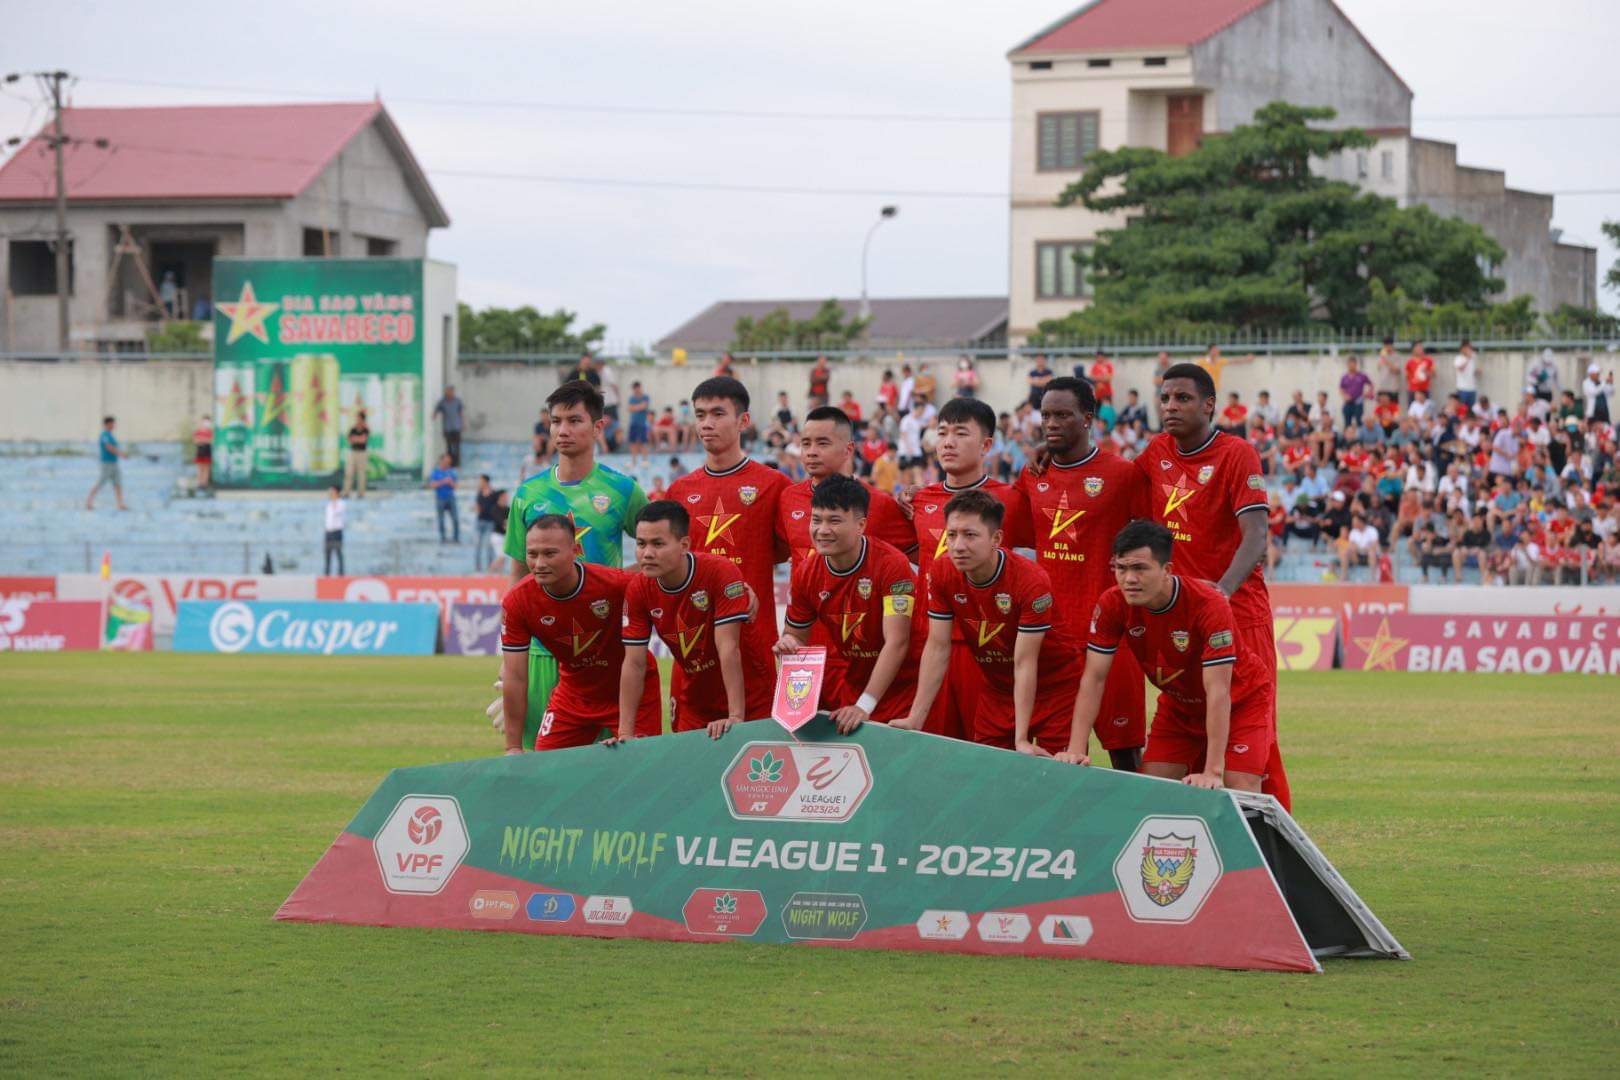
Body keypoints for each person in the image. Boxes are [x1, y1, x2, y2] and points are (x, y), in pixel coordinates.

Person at [1137, 363, 1289, 810]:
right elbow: (1112, 484)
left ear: (1209, 405)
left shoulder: (1237, 453)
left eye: (1182, 398)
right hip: (1184, 618)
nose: (1170, 407)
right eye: (1165, 398)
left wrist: (1219, 593)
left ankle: (1274, 846)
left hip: (1239, 611)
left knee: (1255, 737)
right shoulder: (1156, 451)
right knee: (1188, 720)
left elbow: (1257, 536)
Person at [1061, 521, 1269, 794]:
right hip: (1180, 708)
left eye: (1140, 569)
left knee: (1240, 789)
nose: (1129, 579)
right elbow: (1094, 678)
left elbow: (1219, 690)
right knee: (1152, 791)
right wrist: (1076, 750)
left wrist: (1213, 772)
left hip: (1241, 702)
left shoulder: (1209, 604)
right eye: (1121, 569)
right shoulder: (1112, 603)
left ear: (1166, 570)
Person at [500, 380, 649, 751]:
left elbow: (657, 552)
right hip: (541, 648)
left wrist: (618, 581)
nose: (563, 430)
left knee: (613, 765)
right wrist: (507, 665)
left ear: (598, 427)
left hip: (604, 649)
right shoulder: (528, 493)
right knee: (540, 763)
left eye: (574, 420)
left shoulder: (622, 490)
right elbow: (518, 575)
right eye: (555, 421)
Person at [1012, 377, 1149, 771]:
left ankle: (1132, 827)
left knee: (1125, 751)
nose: (1051, 423)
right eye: (1046, 415)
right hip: (1052, 637)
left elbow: (1153, 539)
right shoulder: (1033, 475)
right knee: (1055, 755)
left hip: (1111, 631)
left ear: (1088, 417)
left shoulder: (1123, 474)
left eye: (1063, 415)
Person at [894, 491, 1082, 753]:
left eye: (970, 535)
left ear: (997, 538)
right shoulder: (941, 572)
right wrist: (915, 717)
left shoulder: (1031, 580)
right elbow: (937, 647)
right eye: (951, 535)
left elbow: (1025, 661)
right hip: (998, 689)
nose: (958, 545)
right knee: (989, 773)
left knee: (1056, 778)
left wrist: (1021, 738)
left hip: (1056, 687)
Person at [904, 397, 1032, 740]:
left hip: (989, 651)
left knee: (990, 760)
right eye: (942, 432)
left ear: (987, 444)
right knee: (933, 758)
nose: (947, 442)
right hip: (931, 646)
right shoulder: (920, 500)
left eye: (961, 433)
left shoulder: (1011, 499)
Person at [777, 407, 918, 706]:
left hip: (866, 658)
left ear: (849, 449)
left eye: (822, 443)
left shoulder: (878, 504)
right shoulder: (788, 498)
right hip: (808, 652)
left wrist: (921, 499)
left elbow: (927, 553)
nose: (811, 452)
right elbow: (773, 551)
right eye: (805, 443)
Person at [498, 515, 661, 753]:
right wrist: (513, 746)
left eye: (550, 554)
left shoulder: (616, 585)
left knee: (640, 766)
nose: (540, 563)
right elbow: (515, 676)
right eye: (532, 554)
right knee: (546, 769)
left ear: (575, 550)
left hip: (633, 691)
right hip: (573, 694)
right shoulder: (517, 601)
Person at [617, 501, 773, 739]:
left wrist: (736, 717)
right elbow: (634, 664)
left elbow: (728, 647)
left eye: (658, 544)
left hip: (751, 698)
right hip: (695, 702)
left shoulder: (720, 571)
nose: (647, 553)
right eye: (641, 544)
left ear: (684, 545)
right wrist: (624, 733)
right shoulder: (638, 588)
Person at [667, 377, 792, 673]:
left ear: (743, 421)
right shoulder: (679, 490)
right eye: (700, 415)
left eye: (718, 413)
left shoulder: (774, 485)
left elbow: (788, 552)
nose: (706, 423)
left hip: (752, 639)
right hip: (694, 639)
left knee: (754, 720)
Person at [776, 477, 921, 732]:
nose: (822, 530)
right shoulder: (806, 572)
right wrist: (789, 644)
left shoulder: (891, 565)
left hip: (905, 688)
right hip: (855, 687)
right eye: (816, 519)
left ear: (860, 525)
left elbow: (897, 642)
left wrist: (864, 705)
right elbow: (795, 635)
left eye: (834, 521)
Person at [86, 416, 130, 511]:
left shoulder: (110, 435)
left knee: (118, 484)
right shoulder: (105, 435)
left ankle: (120, 504)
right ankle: (89, 502)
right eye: (111, 423)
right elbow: (108, 447)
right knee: (101, 483)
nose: (113, 425)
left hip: (114, 463)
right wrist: (121, 454)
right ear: (106, 424)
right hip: (107, 464)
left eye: (113, 423)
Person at [474, 475, 505, 570]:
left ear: (486, 482)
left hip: (489, 522)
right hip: (480, 521)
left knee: (488, 546)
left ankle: (489, 566)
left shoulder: (493, 493)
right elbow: (477, 505)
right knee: (478, 545)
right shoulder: (479, 493)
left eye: (481, 481)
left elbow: (497, 506)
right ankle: (478, 567)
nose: (480, 483)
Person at [428, 453, 459, 542]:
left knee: (455, 518)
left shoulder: (452, 472)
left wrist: (451, 483)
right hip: (440, 498)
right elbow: (432, 485)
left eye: (449, 461)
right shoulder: (436, 472)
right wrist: (443, 481)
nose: (447, 463)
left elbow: (456, 486)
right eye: (446, 461)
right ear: (441, 461)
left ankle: (456, 537)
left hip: (451, 497)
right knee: (441, 519)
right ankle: (443, 537)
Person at [432, 385, 464, 466]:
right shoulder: (443, 401)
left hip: (456, 427)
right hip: (447, 428)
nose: (448, 393)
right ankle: (450, 463)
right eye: (447, 391)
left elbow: (461, 413)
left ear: (453, 392)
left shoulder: (457, 401)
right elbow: (436, 409)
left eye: (450, 391)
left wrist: (462, 424)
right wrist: (434, 415)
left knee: (457, 446)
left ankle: (457, 463)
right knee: (449, 447)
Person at [1340, 355, 1372, 428]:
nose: (1351, 366)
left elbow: (1370, 385)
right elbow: (1341, 388)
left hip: (1358, 402)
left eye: (1353, 364)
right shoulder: (1344, 377)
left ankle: (1359, 437)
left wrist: (1367, 393)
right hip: (1348, 403)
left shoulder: (1362, 375)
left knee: (1359, 421)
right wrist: (1344, 396)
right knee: (1347, 422)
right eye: (1349, 364)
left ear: (1356, 364)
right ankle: (1347, 437)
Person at [344, 409, 369, 498]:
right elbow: (349, 439)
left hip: (362, 453)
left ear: (362, 419)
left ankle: (361, 493)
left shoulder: (366, 429)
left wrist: (356, 439)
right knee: (349, 473)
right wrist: (357, 439)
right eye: (356, 418)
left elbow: (363, 440)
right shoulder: (353, 428)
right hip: (353, 452)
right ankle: (346, 492)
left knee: (361, 474)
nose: (357, 420)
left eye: (359, 418)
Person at [626, 381, 652, 469]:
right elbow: (629, 408)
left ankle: (645, 460)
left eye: (638, 388)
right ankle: (633, 461)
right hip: (633, 423)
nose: (637, 390)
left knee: (643, 442)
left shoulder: (645, 397)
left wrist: (634, 407)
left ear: (640, 388)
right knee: (632, 442)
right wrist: (639, 406)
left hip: (642, 423)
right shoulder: (631, 398)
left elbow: (644, 406)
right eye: (635, 388)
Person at [323, 485, 345, 576]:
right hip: (328, 531)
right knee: (327, 553)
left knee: (338, 552)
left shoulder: (341, 503)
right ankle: (327, 573)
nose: (330, 493)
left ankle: (341, 573)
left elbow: (337, 512)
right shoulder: (328, 504)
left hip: (336, 531)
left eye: (332, 491)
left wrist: (335, 500)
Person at [1404, 342, 1433, 407]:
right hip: (1413, 390)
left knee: (1426, 410)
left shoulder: (1428, 360)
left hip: (1424, 390)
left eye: (1421, 347)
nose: (1420, 349)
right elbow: (1406, 376)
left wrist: (1426, 372)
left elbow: (1433, 374)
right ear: (1413, 349)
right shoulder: (1409, 362)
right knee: (1412, 410)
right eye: (1417, 347)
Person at [1454, 340, 1478, 410]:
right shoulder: (1458, 358)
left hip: (1472, 388)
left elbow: (1471, 370)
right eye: (1468, 347)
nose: (1470, 349)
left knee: (1471, 410)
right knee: (1462, 409)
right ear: (1462, 348)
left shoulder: (1473, 357)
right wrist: (1468, 358)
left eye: (1471, 347)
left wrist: (1477, 371)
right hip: (1462, 389)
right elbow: (1460, 369)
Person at [192, 414, 213, 490]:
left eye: (208, 421)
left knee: (206, 468)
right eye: (205, 421)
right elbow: (195, 440)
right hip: (200, 450)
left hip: (207, 449)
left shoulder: (211, 432)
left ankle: (205, 483)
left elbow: (211, 440)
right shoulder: (198, 431)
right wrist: (204, 440)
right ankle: (199, 483)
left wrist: (203, 440)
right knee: (200, 468)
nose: (206, 423)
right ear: (202, 422)